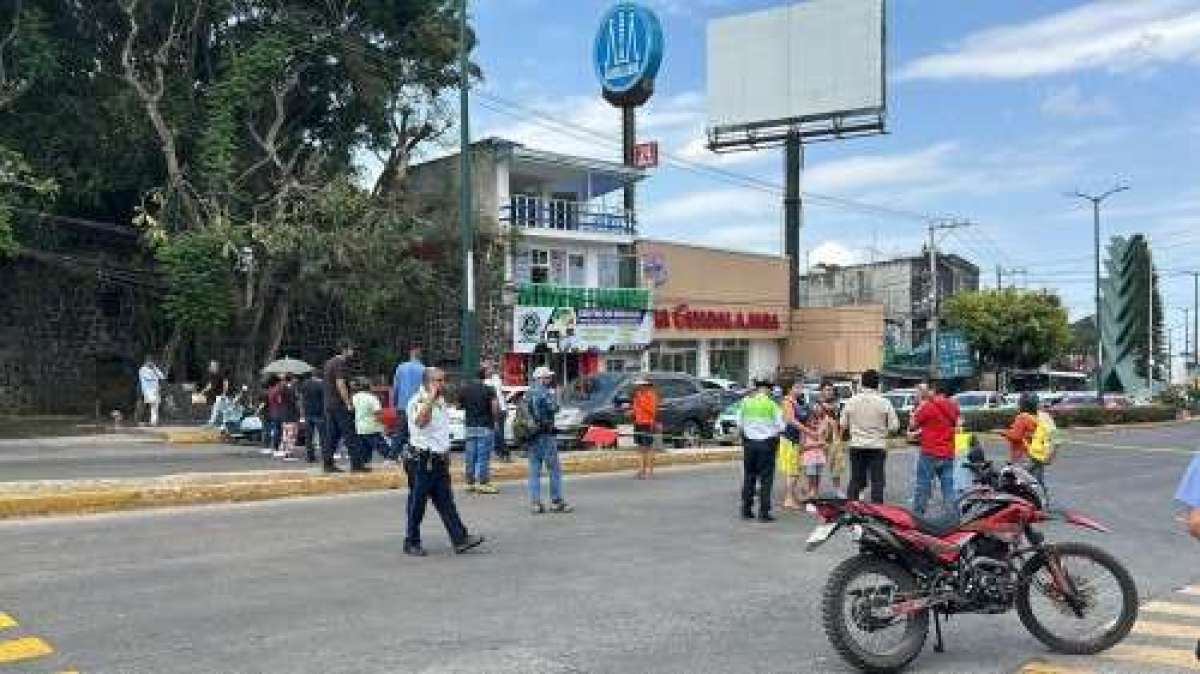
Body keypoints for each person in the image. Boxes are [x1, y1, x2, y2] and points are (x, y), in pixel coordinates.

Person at [404, 367, 485, 557]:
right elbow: (421, 422)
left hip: (438, 460)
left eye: (443, 380)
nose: (442, 384)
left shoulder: (440, 400)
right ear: (427, 382)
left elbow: (439, 431)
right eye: (437, 380)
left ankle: (460, 538)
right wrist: (431, 398)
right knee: (417, 504)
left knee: (446, 501)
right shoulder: (419, 401)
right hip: (423, 460)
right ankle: (411, 541)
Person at [840, 369, 900, 504]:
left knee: (855, 478)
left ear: (862, 383)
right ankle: (877, 511)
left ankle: (852, 508)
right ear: (877, 384)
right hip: (877, 445)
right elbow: (894, 426)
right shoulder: (884, 402)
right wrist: (882, 431)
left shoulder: (851, 401)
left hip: (857, 444)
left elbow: (842, 423)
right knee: (877, 480)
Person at [527, 366, 573, 514]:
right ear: (540, 378)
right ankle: (556, 501)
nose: (550, 379)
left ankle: (535, 503)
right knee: (554, 470)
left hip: (531, 435)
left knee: (534, 470)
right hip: (545, 435)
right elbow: (554, 408)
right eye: (547, 377)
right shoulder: (544, 393)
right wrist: (557, 396)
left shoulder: (527, 393)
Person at [909, 383, 960, 516]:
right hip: (948, 453)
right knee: (948, 488)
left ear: (934, 391)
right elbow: (956, 424)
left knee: (923, 486)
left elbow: (913, 425)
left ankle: (917, 517)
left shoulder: (928, 406)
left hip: (929, 453)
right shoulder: (954, 406)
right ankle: (953, 516)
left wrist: (916, 407)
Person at [739, 377, 785, 522]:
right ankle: (764, 513)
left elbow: (739, 423)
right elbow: (781, 426)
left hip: (749, 445)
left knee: (749, 477)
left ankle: (746, 510)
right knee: (766, 479)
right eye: (770, 389)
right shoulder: (772, 405)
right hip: (766, 445)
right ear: (767, 389)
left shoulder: (746, 402)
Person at [322, 339, 364, 473]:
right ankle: (356, 464)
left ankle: (328, 464)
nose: (353, 351)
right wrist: (348, 403)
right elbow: (340, 384)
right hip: (340, 404)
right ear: (345, 349)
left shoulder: (329, 362)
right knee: (350, 434)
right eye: (351, 349)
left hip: (329, 404)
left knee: (332, 435)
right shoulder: (340, 363)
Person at [459, 366, 501, 494]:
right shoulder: (489, 389)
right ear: (484, 377)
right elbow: (494, 407)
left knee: (470, 455)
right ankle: (482, 482)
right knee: (483, 456)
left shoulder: (465, 390)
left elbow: (459, 405)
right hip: (485, 425)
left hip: (470, 426)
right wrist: (495, 420)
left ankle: (469, 482)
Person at [777, 381, 808, 510]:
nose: (800, 389)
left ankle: (792, 496)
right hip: (789, 439)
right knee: (793, 471)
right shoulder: (787, 402)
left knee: (795, 470)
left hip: (795, 439)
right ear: (789, 389)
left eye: (801, 386)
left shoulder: (797, 402)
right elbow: (791, 421)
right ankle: (788, 499)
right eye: (797, 387)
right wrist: (810, 432)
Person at [1000, 393, 1040, 477]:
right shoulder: (1037, 418)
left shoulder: (1022, 418)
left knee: (1021, 481)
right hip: (1036, 453)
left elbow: (1016, 436)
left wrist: (1003, 432)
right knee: (1036, 481)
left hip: (1022, 455)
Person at [819, 383, 847, 495]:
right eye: (827, 390)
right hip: (820, 438)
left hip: (834, 438)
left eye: (831, 390)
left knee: (836, 466)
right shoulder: (817, 403)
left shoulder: (836, 403)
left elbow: (833, 408)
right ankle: (812, 489)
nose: (829, 392)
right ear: (822, 391)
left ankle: (837, 490)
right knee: (815, 465)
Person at [631, 377, 660, 480]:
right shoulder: (638, 395)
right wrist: (632, 412)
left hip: (648, 423)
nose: (639, 387)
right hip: (638, 422)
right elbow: (635, 408)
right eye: (638, 385)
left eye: (641, 385)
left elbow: (652, 411)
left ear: (646, 385)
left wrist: (640, 403)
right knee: (640, 448)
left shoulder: (651, 395)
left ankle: (650, 471)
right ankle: (641, 470)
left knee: (648, 448)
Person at [351, 378, 384, 468]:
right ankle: (393, 461)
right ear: (369, 387)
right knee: (383, 448)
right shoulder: (372, 398)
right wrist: (383, 426)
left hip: (359, 428)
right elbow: (378, 413)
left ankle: (365, 465)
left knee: (365, 450)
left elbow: (351, 410)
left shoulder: (354, 397)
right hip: (372, 427)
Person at [392, 345, 425, 423]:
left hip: (402, 405)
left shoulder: (401, 367)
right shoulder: (424, 370)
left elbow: (396, 387)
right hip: (417, 406)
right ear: (420, 357)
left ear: (411, 355)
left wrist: (395, 403)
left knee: (401, 431)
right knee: (417, 432)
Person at [952, 416, 982, 497]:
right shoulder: (967, 436)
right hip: (963, 469)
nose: (959, 428)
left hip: (965, 467)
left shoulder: (966, 436)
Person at [300, 373, 325, 463]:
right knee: (323, 435)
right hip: (319, 412)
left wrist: (302, 411)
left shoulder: (304, 384)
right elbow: (324, 398)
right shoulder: (321, 385)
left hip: (307, 412)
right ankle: (325, 455)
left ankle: (310, 456)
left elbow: (302, 398)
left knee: (309, 436)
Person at [276, 373, 302, 461]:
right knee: (291, 434)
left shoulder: (281, 389)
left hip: (284, 414)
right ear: (291, 379)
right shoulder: (291, 390)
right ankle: (288, 453)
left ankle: (283, 450)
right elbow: (294, 402)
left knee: (285, 433)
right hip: (291, 415)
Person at [138, 355, 167, 426]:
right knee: (147, 405)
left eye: (152, 362)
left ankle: (154, 422)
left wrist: (155, 369)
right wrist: (156, 376)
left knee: (155, 406)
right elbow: (149, 378)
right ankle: (141, 420)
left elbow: (162, 377)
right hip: (147, 390)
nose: (151, 363)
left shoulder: (155, 369)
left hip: (155, 390)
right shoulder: (142, 370)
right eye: (149, 362)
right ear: (146, 362)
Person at [201, 361, 231, 427]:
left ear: (215, 367)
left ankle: (211, 423)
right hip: (219, 396)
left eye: (212, 366)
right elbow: (210, 385)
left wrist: (224, 394)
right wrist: (203, 391)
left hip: (222, 396)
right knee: (224, 411)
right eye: (210, 366)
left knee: (217, 409)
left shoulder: (220, 374)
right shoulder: (213, 375)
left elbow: (226, 383)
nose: (210, 367)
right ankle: (224, 425)